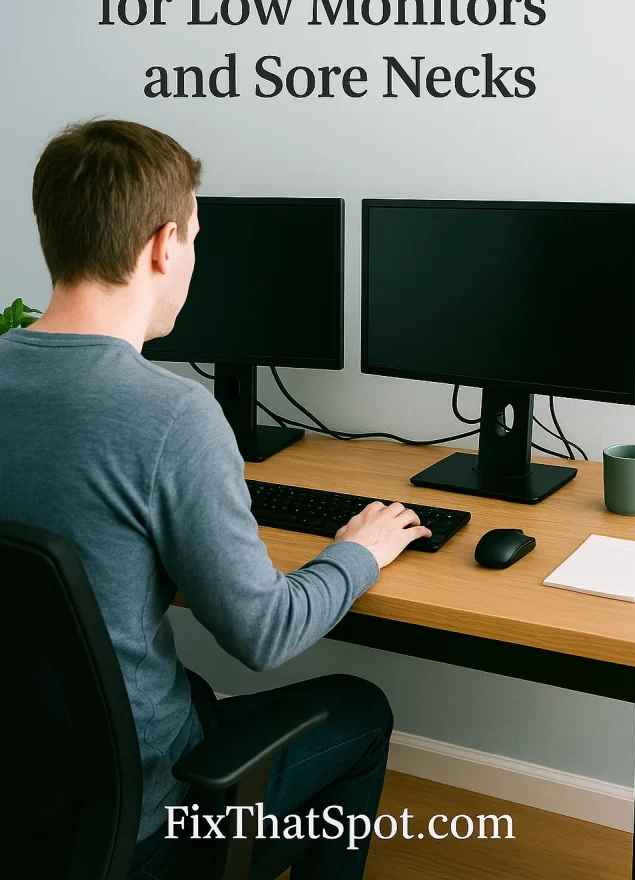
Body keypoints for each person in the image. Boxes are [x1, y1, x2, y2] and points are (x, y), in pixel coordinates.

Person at [0, 119, 432, 879]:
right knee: (361, 709)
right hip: (137, 822)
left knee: (194, 693)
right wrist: (358, 552)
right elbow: (263, 634)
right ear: (164, 246)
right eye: (195, 238)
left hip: (22, 797)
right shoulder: (171, 416)